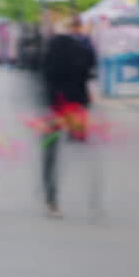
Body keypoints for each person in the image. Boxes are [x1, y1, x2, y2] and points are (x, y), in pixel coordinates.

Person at [39, 16, 97, 218]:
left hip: (55, 107)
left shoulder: (52, 46)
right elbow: (89, 72)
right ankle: (91, 200)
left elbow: (45, 74)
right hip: (75, 107)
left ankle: (51, 198)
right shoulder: (85, 47)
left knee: (50, 153)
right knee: (80, 151)